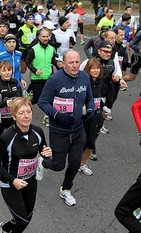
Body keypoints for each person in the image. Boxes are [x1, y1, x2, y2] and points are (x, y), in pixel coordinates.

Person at [37, 50, 95, 206]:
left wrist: (90, 110)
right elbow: (42, 102)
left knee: (75, 163)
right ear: (63, 63)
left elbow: (89, 98)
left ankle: (66, 189)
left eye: (77, 62)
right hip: (59, 130)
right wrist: (57, 115)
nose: (75, 65)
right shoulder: (55, 80)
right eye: (71, 62)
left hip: (78, 129)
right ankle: (42, 163)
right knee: (58, 165)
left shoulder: (84, 77)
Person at [0, 97, 52, 233]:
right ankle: (6, 229)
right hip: (10, 183)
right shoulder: (6, 137)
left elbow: (43, 152)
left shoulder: (38, 131)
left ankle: (6, 229)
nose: (26, 116)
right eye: (21, 113)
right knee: (22, 221)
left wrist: (46, 154)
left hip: (30, 181)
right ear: (14, 117)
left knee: (27, 218)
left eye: (29, 112)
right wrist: (12, 180)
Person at [26, 28, 59, 126]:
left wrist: (58, 63)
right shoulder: (34, 49)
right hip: (37, 78)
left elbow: (53, 60)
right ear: (39, 37)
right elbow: (28, 61)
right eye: (43, 36)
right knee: (38, 99)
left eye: (47, 36)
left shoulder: (51, 48)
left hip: (49, 78)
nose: (45, 38)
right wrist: (35, 71)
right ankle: (26, 102)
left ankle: (47, 117)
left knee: (49, 98)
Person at [78, 58, 106, 173]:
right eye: (93, 68)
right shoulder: (83, 82)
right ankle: (75, 161)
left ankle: (82, 164)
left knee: (91, 143)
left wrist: (103, 106)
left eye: (98, 68)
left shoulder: (101, 82)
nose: (96, 71)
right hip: (83, 115)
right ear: (88, 69)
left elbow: (99, 98)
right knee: (81, 142)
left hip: (96, 114)